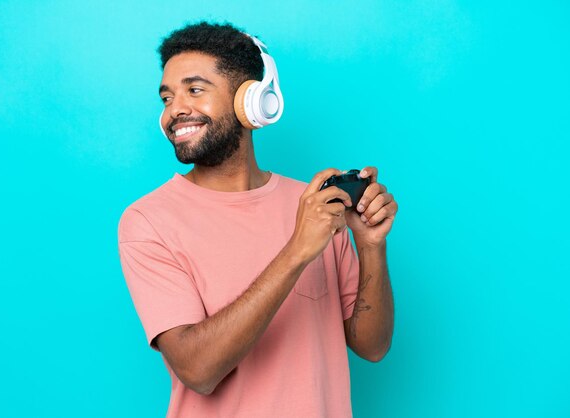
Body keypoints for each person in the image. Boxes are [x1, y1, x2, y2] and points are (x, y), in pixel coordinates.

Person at [117, 21, 398, 418]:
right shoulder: (148, 221)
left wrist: (370, 246)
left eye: (194, 90)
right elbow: (198, 371)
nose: (175, 110)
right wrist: (298, 250)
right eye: (167, 98)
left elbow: (372, 346)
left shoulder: (314, 205)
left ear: (253, 100)